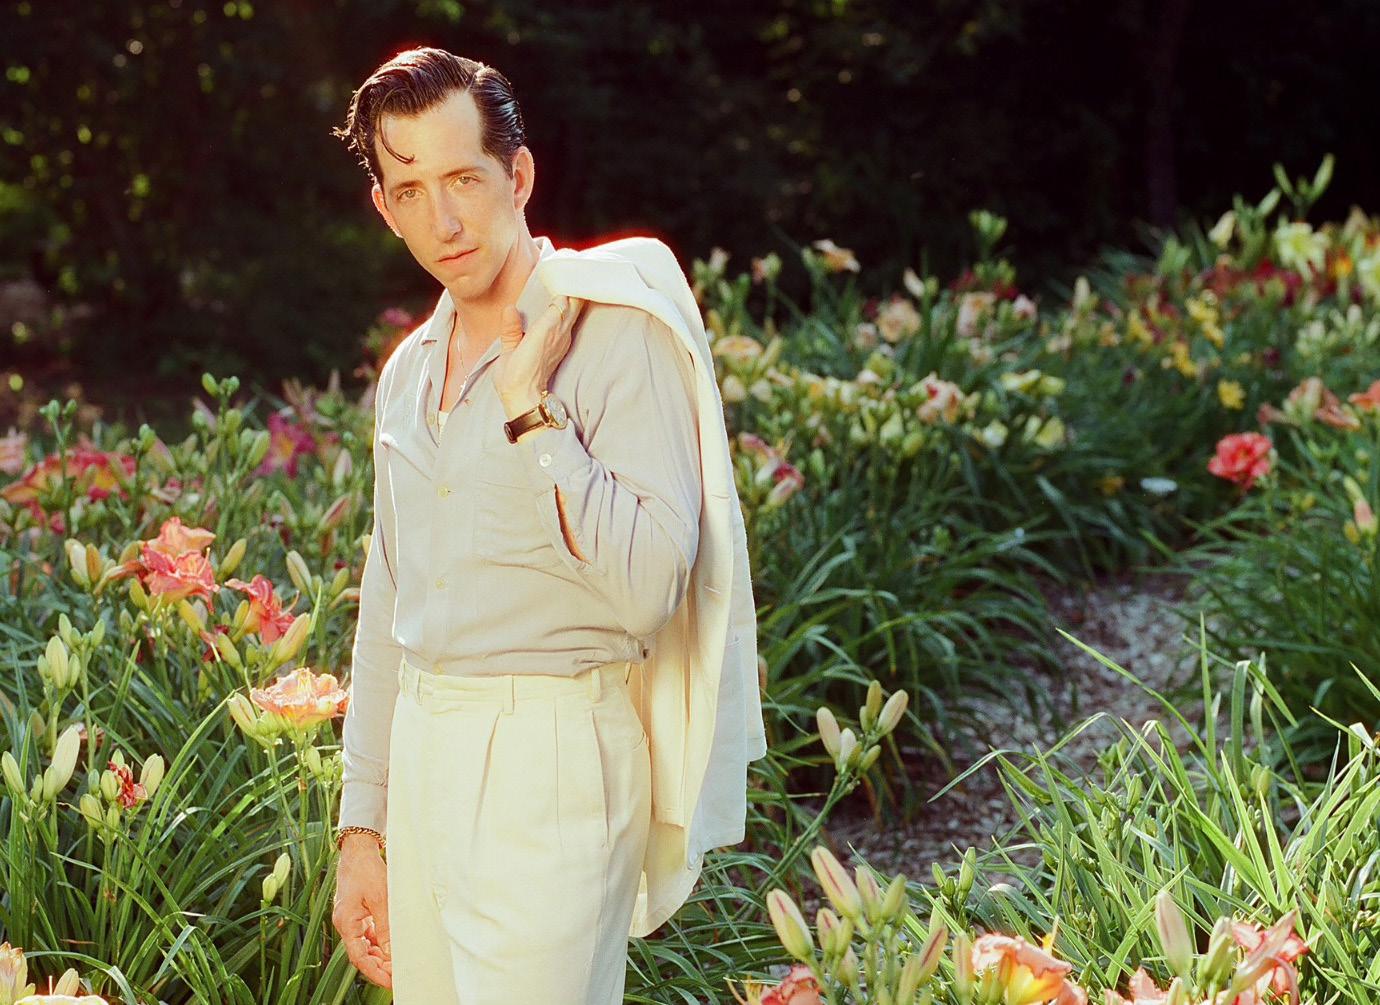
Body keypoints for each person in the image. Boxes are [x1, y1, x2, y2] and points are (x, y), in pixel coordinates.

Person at [326, 47, 706, 1004]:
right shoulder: (407, 374)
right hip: (422, 753)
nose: (444, 220)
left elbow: (652, 588)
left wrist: (533, 410)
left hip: (554, 753)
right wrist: (361, 828)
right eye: (410, 190)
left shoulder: (618, 333)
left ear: (519, 175)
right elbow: (388, 605)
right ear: (383, 207)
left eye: (464, 178)